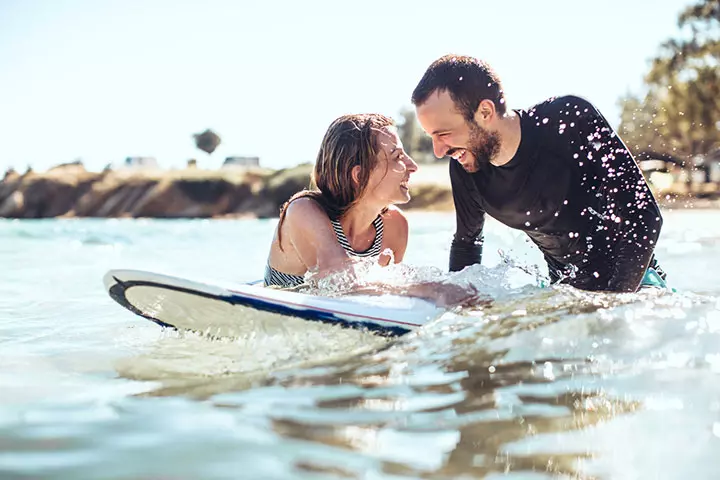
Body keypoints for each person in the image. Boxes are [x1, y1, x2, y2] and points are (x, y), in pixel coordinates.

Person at [411, 54, 666, 293]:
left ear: (485, 112)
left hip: (637, 283)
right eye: (431, 137)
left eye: (443, 134)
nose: (438, 150)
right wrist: (455, 308)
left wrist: (613, 301)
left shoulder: (567, 120)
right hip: (566, 292)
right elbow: (467, 244)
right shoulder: (467, 168)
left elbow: (644, 216)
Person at [264, 113, 416, 288]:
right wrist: (430, 290)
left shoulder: (395, 225)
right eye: (398, 157)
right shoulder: (303, 210)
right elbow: (338, 280)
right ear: (360, 175)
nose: (412, 166)